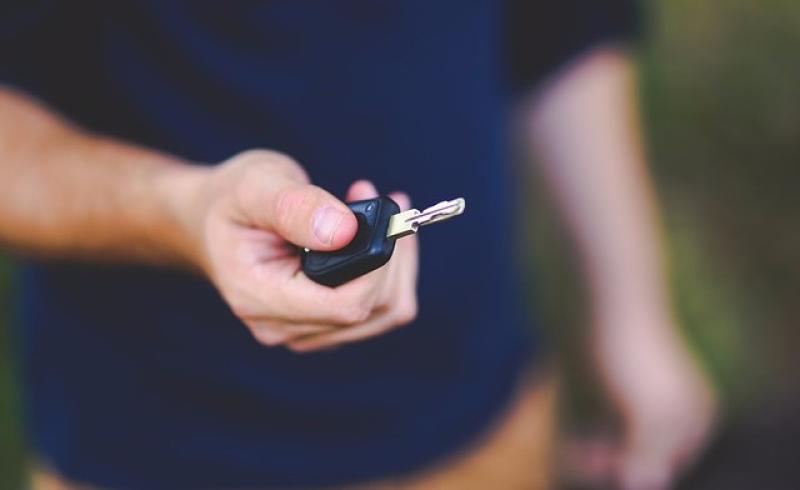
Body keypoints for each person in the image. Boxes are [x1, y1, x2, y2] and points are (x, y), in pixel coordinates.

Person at [0, 1, 715, 489]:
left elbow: (560, 21)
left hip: (489, 419)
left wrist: (632, 307)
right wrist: (186, 211)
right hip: (167, 453)